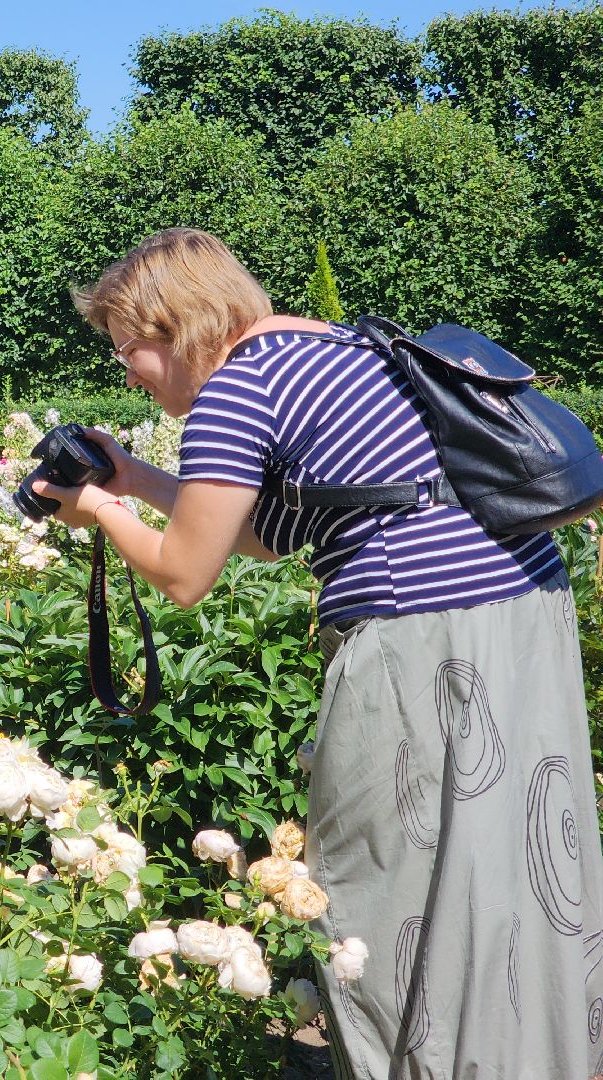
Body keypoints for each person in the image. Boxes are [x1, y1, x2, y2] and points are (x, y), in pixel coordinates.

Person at [36, 228, 603, 1078]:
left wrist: (97, 514)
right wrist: (136, 482)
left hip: (424, 635)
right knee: (504, 854)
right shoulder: (336, 350)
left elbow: (187, 573)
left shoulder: (236, 389)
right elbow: (267, 534)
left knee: (382, 869)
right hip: (522, 614)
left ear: (175, 325)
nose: (127, 374)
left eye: (128, 350)